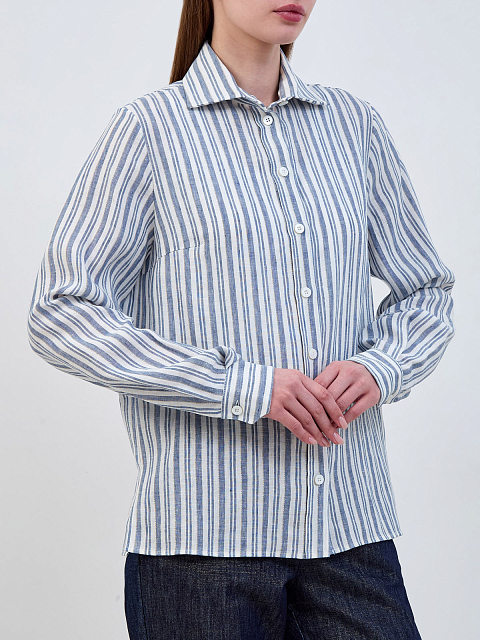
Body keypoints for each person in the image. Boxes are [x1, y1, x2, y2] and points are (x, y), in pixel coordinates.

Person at [27, 0, 455, 638]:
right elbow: (61, 311)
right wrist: (244, 386)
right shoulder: (149, 130)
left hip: (350, 531)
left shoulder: (355, 127)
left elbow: (427, 289)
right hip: (202, 547)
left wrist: (381, 367)